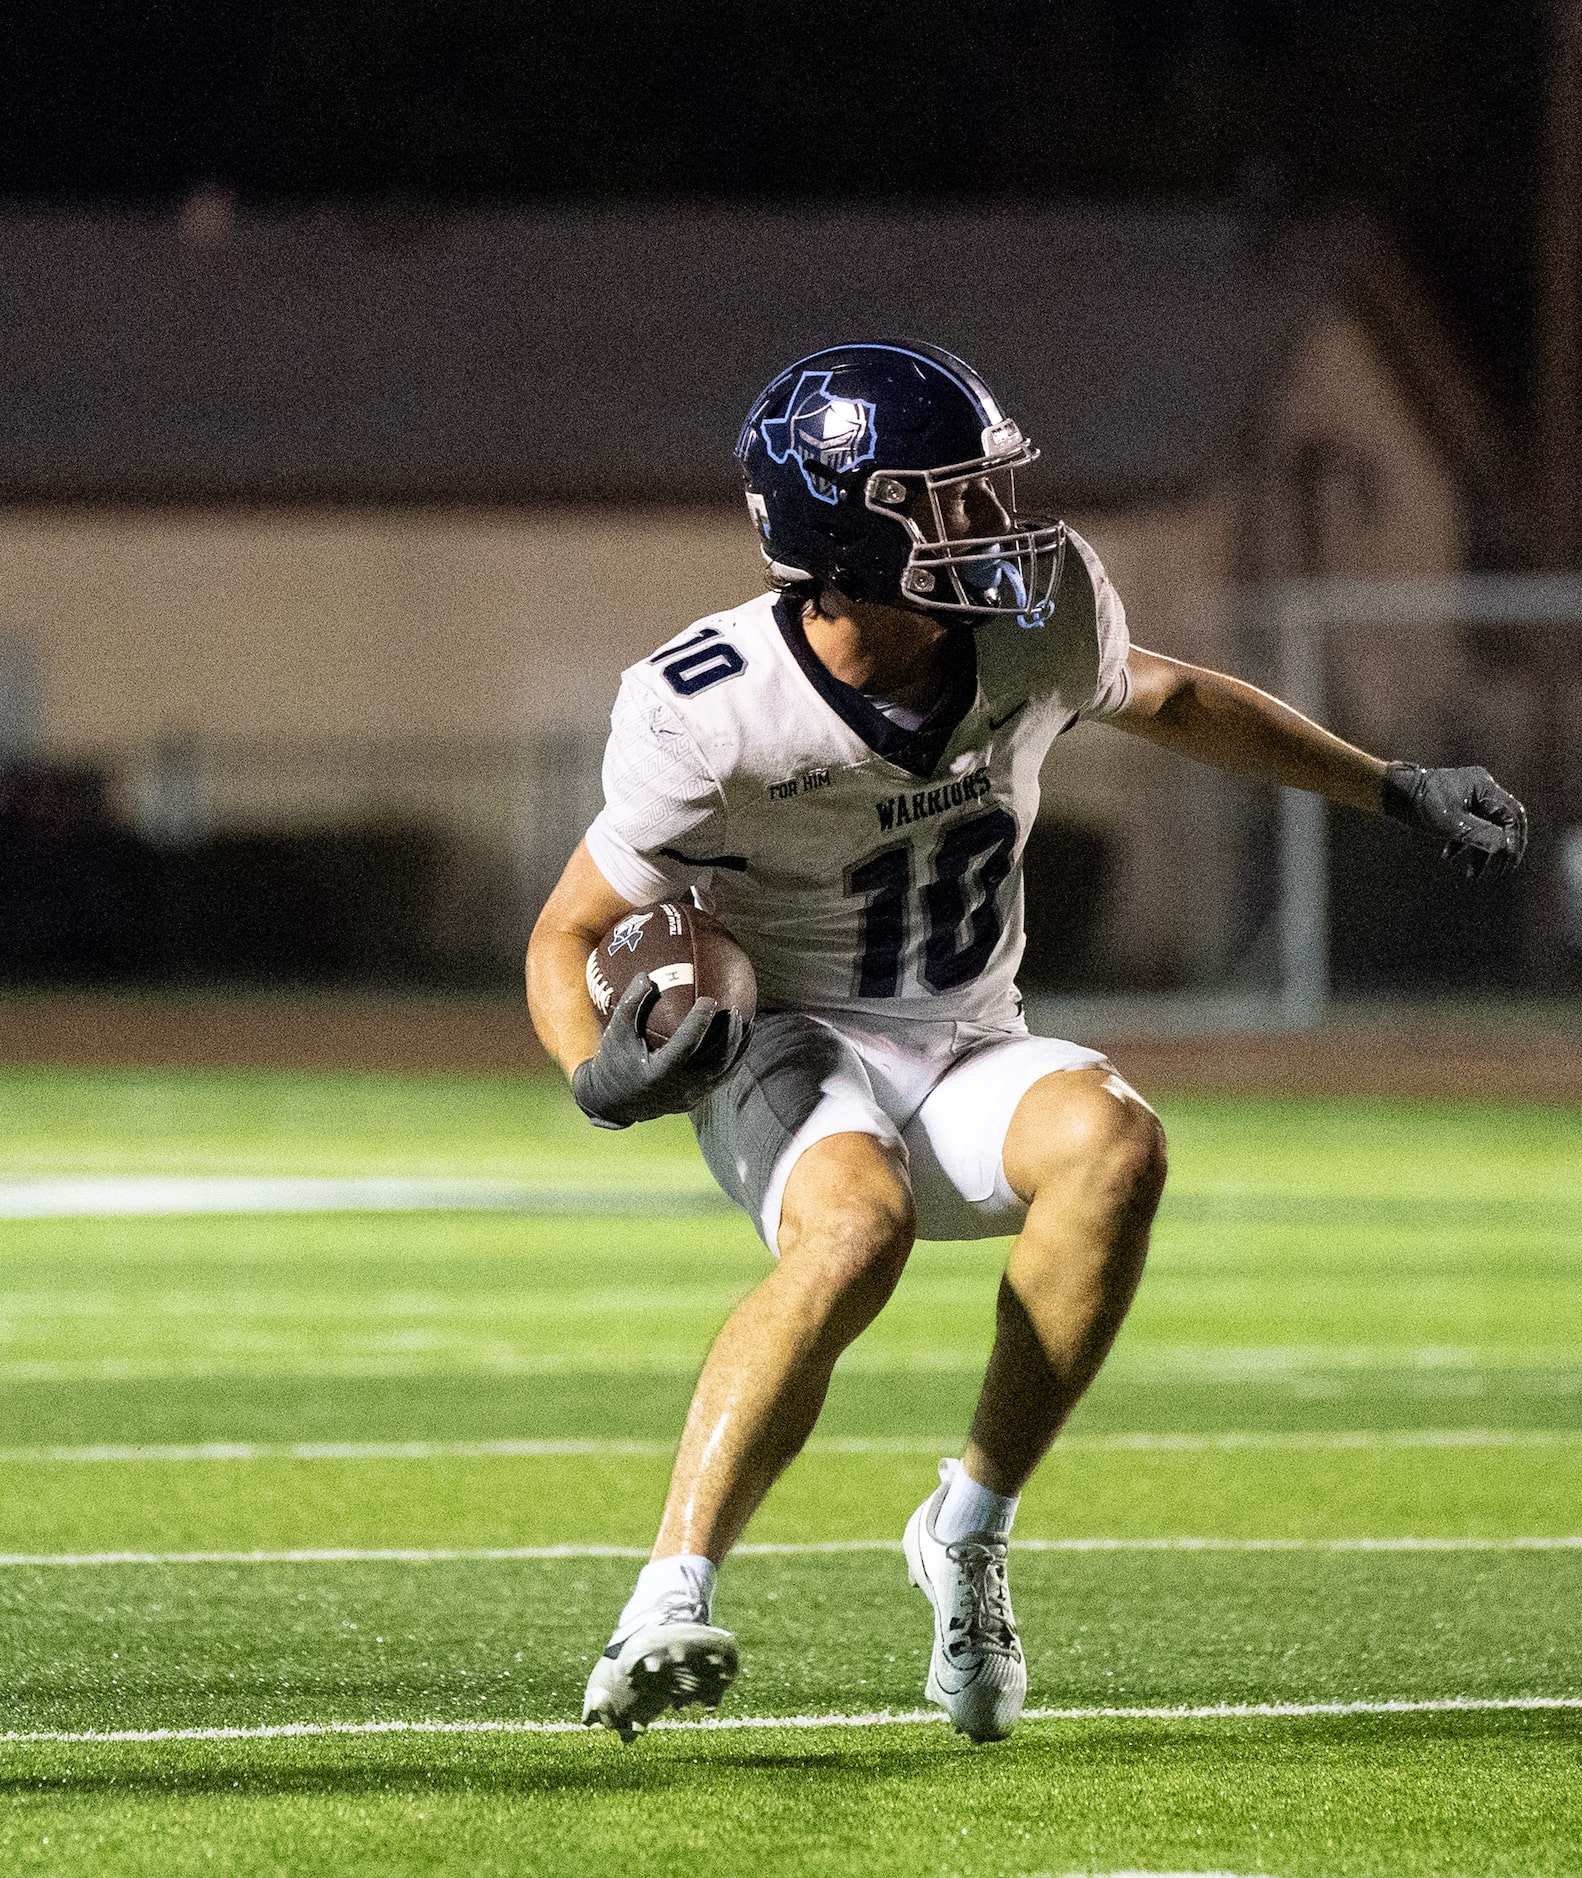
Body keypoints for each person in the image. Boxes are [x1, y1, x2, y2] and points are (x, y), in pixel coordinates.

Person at [528, 340, 1525, 1744]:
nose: (992, 528)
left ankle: (967, 1532)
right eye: (945, 504)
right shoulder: (705, 703)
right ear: (839, 526)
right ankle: (665, 1596)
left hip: (965, 1035)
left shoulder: (1043, 610)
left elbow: (1171, 698)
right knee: (854, 1228)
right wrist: (594, 1063)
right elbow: (564, 933)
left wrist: (1388, 784)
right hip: (787, 1038)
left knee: (1118, 1147)